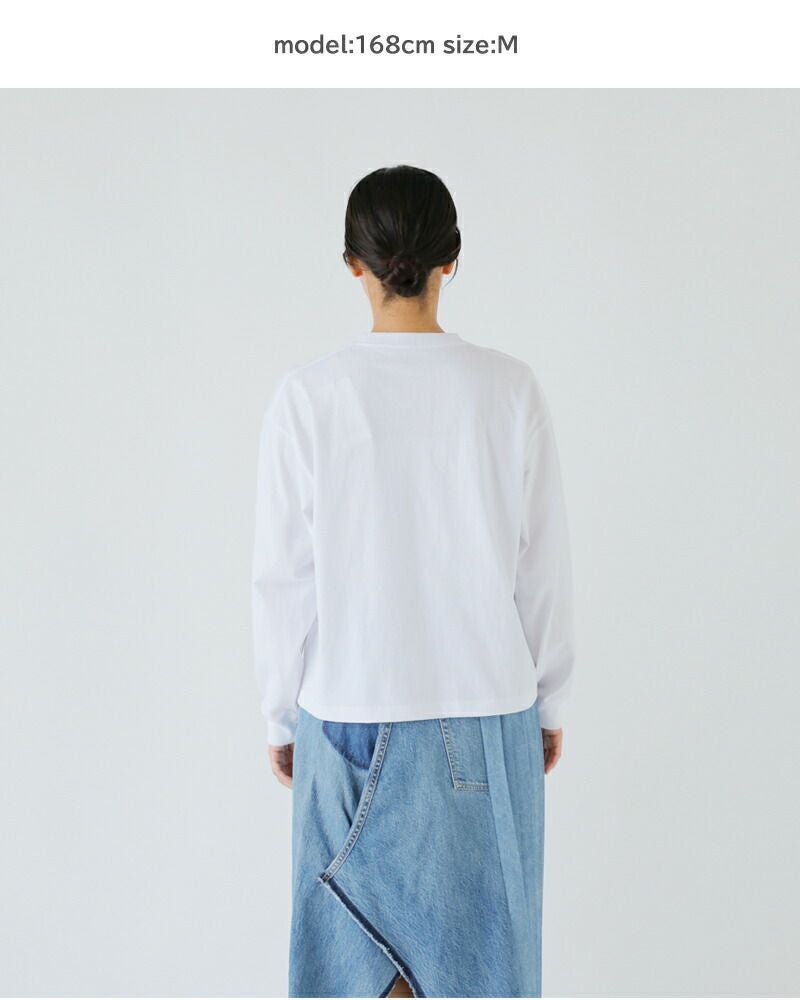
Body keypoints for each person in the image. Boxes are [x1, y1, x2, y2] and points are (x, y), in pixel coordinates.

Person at [252, 165, 575, 998]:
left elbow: (283, 576)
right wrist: (550, 702)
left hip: (347, 712)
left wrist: (281, 714)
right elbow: (541, 564)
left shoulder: (309, 397)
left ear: (353, 264)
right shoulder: (509, 389)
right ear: (451, 259)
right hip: (486, 710)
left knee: (349, 976)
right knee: (483, 973)